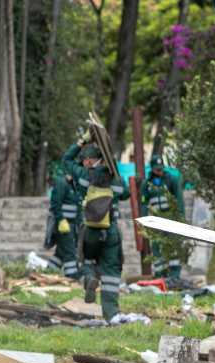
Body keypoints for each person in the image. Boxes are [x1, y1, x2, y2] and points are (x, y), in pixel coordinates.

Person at [62, 132, 130, 321]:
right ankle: (112, 316)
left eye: (84, 160)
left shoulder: (84, 176)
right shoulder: (115, 179)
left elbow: (66, 159)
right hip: (111, 232)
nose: (83, 163)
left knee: (84, 260)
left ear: (91, 160)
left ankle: (89, 277)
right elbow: (126, 194)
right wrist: (116, 173)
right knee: (111, 273)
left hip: (90, 231)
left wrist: (82, 141)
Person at [140, 155, 185, 278]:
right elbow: (144, 203)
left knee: (174, 248)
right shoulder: (147, 183)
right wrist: (143, 222)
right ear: (152, 168)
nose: (160, 171)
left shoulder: (172, 180)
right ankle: (161, 276)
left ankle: (175, 276)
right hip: (156, 221)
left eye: (161, 168)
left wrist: (181, 220)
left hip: (172, 219)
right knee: (157, 249)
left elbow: (180, 201)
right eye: (157, 169)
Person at [47, 173, 82, 280]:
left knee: (61, 251)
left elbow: (80, 204)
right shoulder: (62, 184)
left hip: (73, 224)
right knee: (69, 250)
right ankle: (71, 275)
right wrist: (60, 220)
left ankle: (48, 271)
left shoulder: (75, 186)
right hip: (64, 224)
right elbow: (55, 204)